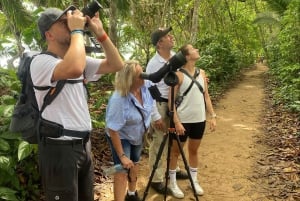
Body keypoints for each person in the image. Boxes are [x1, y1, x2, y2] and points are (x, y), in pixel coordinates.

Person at [31, 6, 123, 201]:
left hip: (83, 146)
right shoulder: (40, 62)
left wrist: (100, 33)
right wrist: (77, 31)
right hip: (59, 149)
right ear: (49, 34)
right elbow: (73, 68)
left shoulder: (79, 61)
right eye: (63, 22)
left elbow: (116, 64)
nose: (69, 22)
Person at [168, 44, 217, 198]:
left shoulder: (202, 73)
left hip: (199, 119)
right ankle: (173, 183)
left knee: (194, 151)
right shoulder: (177, 75)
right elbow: (171, 102)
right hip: (182, 121)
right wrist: (176, 122)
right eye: (194, 49)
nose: (197, 50)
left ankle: (193, 181)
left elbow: (206, 96)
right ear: (187, 56)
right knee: (175, 152)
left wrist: (212, 116)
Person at [105, 60, 158, 201]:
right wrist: (122, 156)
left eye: (143, 71)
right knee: (122, 169)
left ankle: (132, 193)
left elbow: (153, 103)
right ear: (129, 80)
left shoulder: (145, 86)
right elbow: (113, 130)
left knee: (135, 162)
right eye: (140, 75)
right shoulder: (119, 100)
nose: (144, 76)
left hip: (138, 133)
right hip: (121, 136)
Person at [146, 27, 188, 195]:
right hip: (161, 106)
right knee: (158, 142)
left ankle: (174, 168)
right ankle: (156, 179)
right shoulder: (153, 64)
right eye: (167, 36)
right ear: (159, 43)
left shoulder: (175, 59)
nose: (171, 37)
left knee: (174, 139)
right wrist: (155, 115)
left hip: (176, 105)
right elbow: (148, 90)